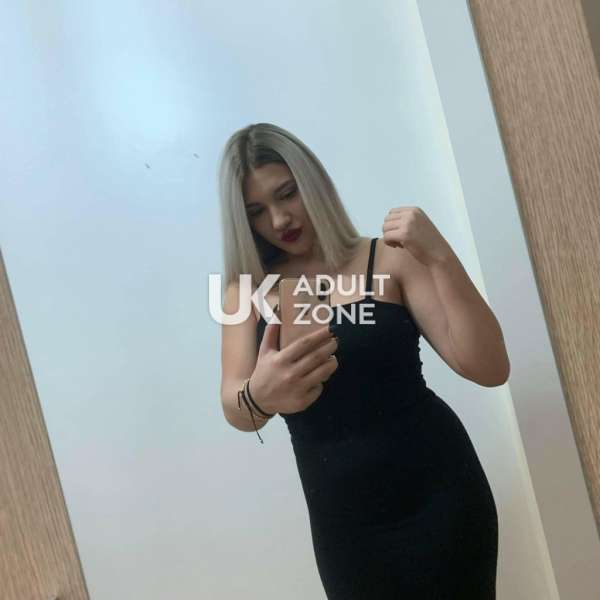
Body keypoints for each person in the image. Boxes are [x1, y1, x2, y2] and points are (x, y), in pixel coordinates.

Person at [218, 122, 508, 599]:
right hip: (345, 523)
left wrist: (440, 257)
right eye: (257, 212)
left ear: (313, 182)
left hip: (441, 492)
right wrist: (259, 395)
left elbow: (490, 368)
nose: (279, 219)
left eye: (287, 193)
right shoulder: (245, 292)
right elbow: (235, 407)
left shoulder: (389, 258)